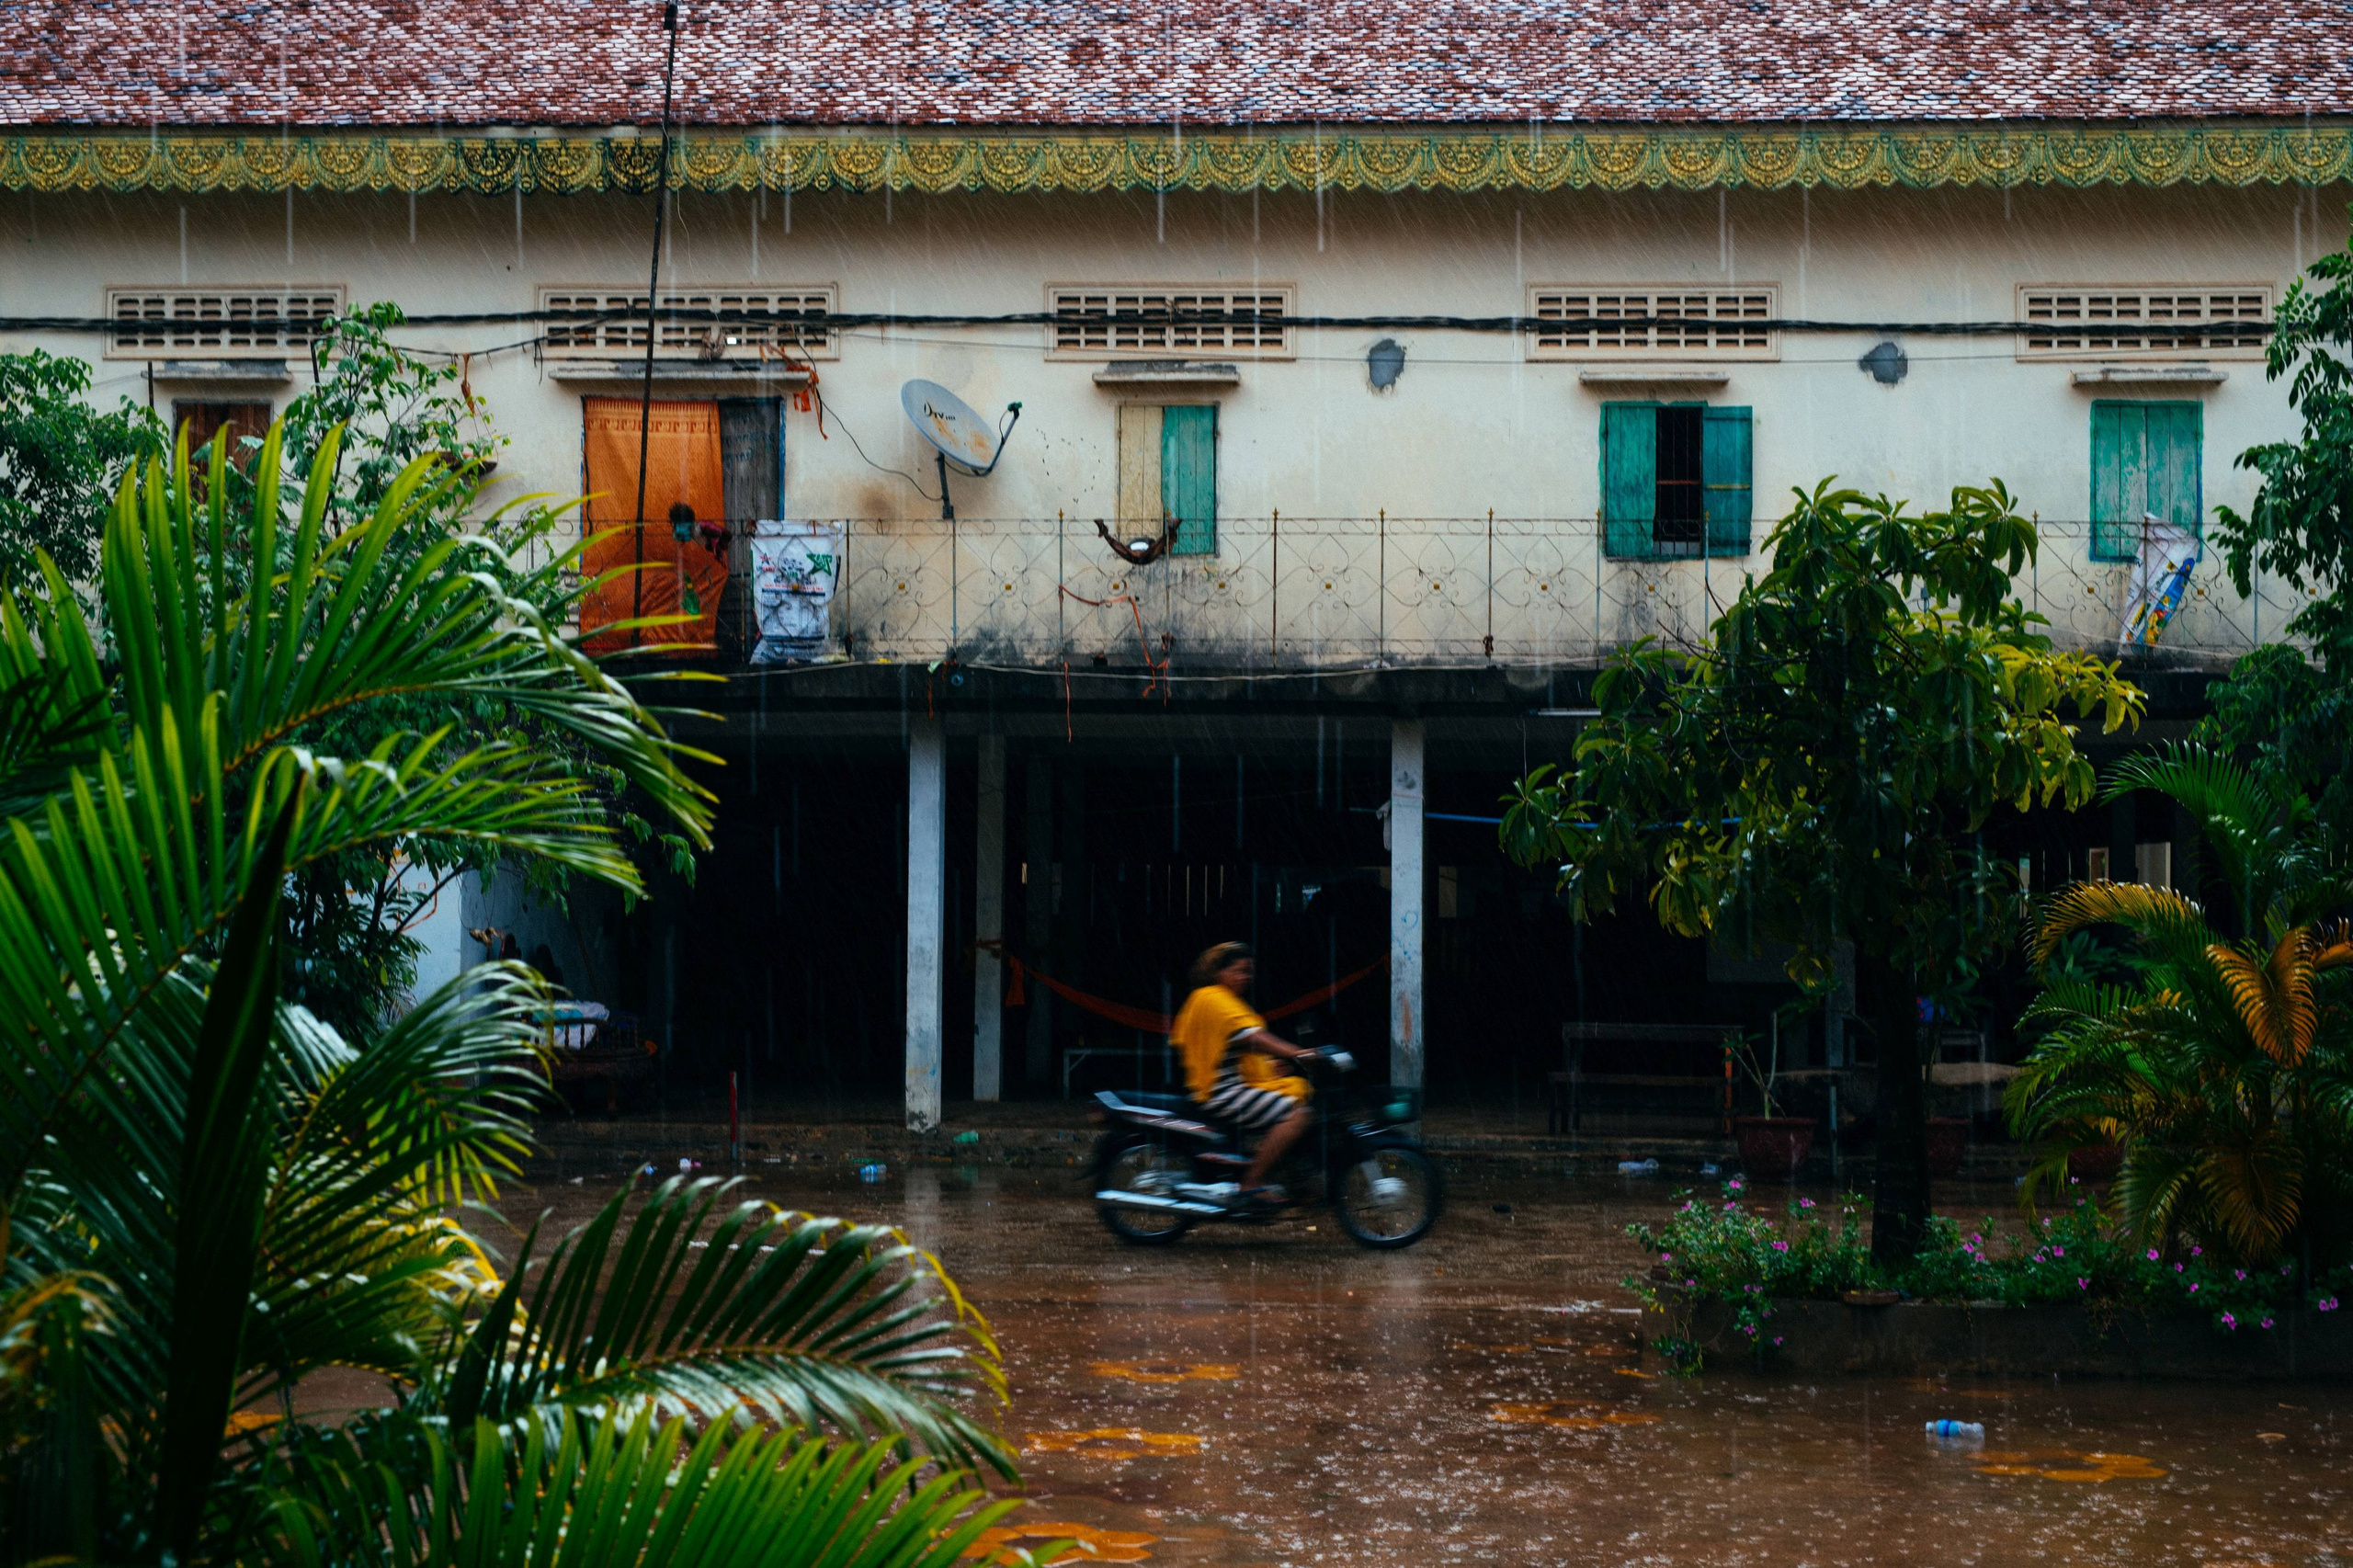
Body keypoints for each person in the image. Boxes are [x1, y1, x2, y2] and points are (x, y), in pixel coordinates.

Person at [1171, 941, 1317, 1210]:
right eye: (1237, 971)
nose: (1244, 978)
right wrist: (1296, 1052)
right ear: (1218, 972)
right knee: (1299, 1115)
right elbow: (1251, 1037)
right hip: (1220, 1093)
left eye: (1248, 972)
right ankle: (1251, 1183)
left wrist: (1271, 1067)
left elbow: (1237, 1050)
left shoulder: (1225, 1001)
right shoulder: (1211, 998)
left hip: (1230, 1087)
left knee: (1295, 1095)